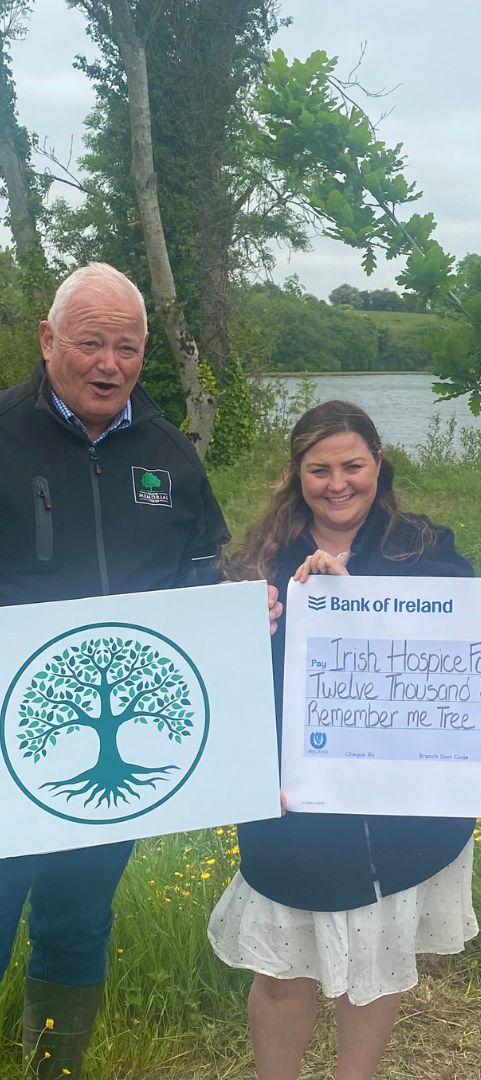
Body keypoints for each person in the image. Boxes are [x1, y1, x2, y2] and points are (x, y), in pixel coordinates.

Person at [0, 263, 233, 1080]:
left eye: (127, 347)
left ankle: (52, 1069)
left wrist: (241, 611)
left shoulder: (170, 454)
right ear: (47, 341)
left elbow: (203, 576)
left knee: (79, 920)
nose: (109, 364)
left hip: (113, 751)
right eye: (90, 343)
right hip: (7, 742)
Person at [208, 400, 477, 1080]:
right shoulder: (259, 560)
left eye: (352, 466)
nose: (337, 484)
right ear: (295, 474)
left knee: (376, 969)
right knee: (281, 975)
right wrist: (245, 624)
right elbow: (224, 679)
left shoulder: (427, 549)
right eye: (318, 470)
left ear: (378, 464)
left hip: (399, 805)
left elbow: (460, 652)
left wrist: (354, 601)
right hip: (290, 799)